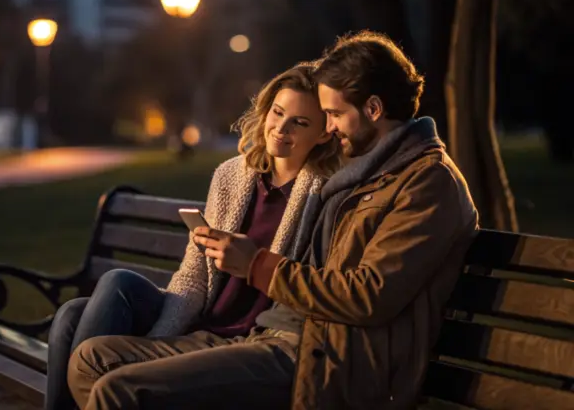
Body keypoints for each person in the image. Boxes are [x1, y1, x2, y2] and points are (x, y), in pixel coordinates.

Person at [66, 31, 479, 410]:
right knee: (90, 360)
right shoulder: (366, 170)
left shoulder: (425, 182)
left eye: (332, 114)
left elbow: (369, 296)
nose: (330, 128)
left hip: (319, 352)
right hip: (269, 334)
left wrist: (257, 264)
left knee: (118, 391)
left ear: (373, 109)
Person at [44, 63, 341, 410]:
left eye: (300, 123)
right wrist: (162, 341)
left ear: (322, 134)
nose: (281, 128)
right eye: (278, 112)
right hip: (201, 317)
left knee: (78, 321)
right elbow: (193, 276)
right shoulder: (232, 176)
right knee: (81, 308)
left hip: (249, 336)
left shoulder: (320, 195)